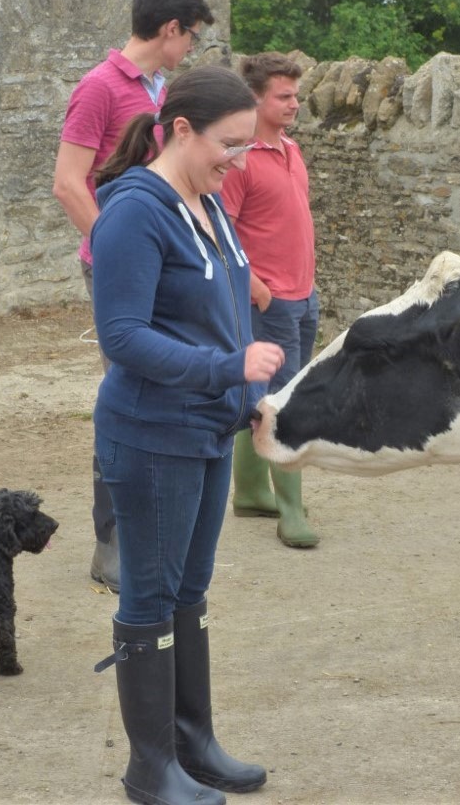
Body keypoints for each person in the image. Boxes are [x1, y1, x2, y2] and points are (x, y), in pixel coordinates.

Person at [89, 66, 278, 805]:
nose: (236, 158)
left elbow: (230, 312)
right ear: (179, 131)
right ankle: (150, 766)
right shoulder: (136, 211)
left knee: (189, 590)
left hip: (206, 428)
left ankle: (192, 742)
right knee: (151, 591)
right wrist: (226, 367)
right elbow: (124, 335)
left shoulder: (208, 204)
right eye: (228, 144)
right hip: (149, 433)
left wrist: (251, 395)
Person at [53, 0, 214, 592]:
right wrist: (121, 253)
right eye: (191, 37)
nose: (191, 49)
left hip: (165, 262)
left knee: (164, 387)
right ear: (170, 29)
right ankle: (111, 544)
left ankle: (154, 533)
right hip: (122, 265)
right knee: (126, 391)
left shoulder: (162, 89)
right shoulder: (97, 88)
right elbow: (69, 183)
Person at [220, 52, 320, 549]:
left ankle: (253, 493)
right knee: (286, 401)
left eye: (296, 96)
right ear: (256, 98)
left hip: (303, 295)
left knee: (264, 396)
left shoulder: (291, 149)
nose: (293, 104)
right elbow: (222, 231)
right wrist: (257, 287)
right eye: (284, 96)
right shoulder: (240, 159)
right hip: (272, 301)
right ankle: (290, 510)